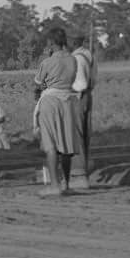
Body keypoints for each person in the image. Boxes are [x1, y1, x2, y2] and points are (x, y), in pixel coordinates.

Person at [33, 27, 84, 197]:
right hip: (68, 102)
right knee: (67, 145)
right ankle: (66, 184)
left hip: (50, 103)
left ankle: (54, 185)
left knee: (51, 145)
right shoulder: (73, 60)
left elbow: (38, 84)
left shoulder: (47, 62)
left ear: (51, 42)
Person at [70, 34, 97, 176]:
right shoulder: (89, 55)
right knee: (86, 132)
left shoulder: (76, 58)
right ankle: (85, 164)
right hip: (88, 95)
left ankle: (79, 168)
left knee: (77, 132)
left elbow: (80, 83)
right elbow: (94, 78)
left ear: (75, 42)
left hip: (78, 96)